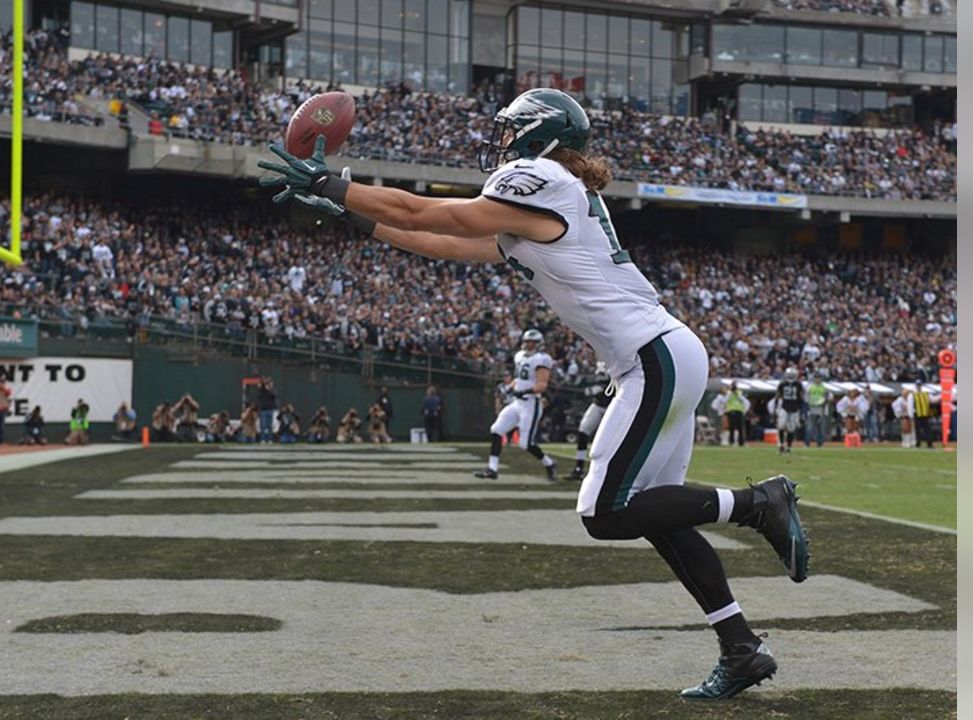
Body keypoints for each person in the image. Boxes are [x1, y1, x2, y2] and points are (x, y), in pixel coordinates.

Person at [260, 88, 809, 699]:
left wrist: (337, 186)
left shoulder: (537, 175)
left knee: (605, 512)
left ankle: (757, 503)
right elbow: (447, 243)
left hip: (652, 356)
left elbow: (437, 216)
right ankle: (740, 649)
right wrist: (352, 213)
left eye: (508, 129)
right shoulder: (552, 191)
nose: (499, 140)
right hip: (658, 354)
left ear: (536, 135)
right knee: (660, 512)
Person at [472, 329, 559, 481]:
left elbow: (542, 385)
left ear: (539, 344)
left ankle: (549, 463)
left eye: (533, 342)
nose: (529, 344)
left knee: (525, 444)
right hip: (517, 403)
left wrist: (524, 391)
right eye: (527, 341)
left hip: (531, 404)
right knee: (496, 430)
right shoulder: (519, 356)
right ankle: (492, 469)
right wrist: (510, 387)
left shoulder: (542, 359)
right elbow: (519, 378)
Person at [570, 361, 613, 480]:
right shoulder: (600, 362)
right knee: (583, 431)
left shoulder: (616, 358)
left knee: (610, 439)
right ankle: (579, 468)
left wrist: (602, 389)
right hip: (598, 404)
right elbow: (596, 382)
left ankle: (609, 471)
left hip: (613, 405)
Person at [774, 368, 805, 454]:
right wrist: (775, 408)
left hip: (794, 408)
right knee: (781, 425)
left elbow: (801, 397)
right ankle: (781, 445)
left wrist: (801, 409)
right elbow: (777, 396)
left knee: (791, 429)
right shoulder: (782, 384)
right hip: (784, 407)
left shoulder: (798, 384)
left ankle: (788, 447)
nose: (791, 377)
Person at [804, 374, 832, 448]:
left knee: (821, 428)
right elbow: (806, 399)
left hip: (821, 408)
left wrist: (824, 406)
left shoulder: (824, 388)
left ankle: (820, 443)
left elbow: (827, 398)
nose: (818, 380)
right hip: (812, 407)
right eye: (816, 378)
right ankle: (807, 443)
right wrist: (808, 409)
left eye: (819, 378)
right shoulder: (810, 387)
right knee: (810, 427)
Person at [722, 383, 751, 448]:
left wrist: (737, 394)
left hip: (739, 411)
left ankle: (741, 442)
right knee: (732, 428)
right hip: (732, 411)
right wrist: (730, 393)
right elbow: (725, 400)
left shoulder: (739, 393)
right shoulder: (729, 393)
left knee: (740, 427)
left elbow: (743, 400)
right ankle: (731, 442)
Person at [257, 377, 278, 443]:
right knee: (263, 425)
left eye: (271, 383)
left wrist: (269, 389)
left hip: (270, 409)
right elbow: (261, 385)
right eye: (269, 383)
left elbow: (274, 395)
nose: (271, 384)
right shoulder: (263, 390)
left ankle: (270, 439)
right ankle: (262, 439)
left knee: (269, 426)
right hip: (263, 410)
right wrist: (264, 384)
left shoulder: (273, 390)